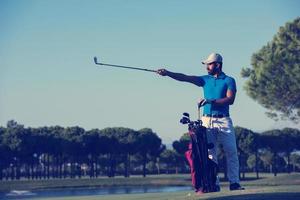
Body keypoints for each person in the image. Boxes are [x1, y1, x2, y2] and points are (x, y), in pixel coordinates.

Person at [157, 53, 244, 191]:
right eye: (207, 64)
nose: (207, 67)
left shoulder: (229, 80)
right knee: (210, 154)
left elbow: (230, 100)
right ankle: (213, 184)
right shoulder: (205, 80)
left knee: (231, 151)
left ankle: (234, 183)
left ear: (217, 65)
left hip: (224, 120)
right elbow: (185, 77)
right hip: (206, 121)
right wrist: (168, 73)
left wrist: (211, 101)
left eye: (209, 64)